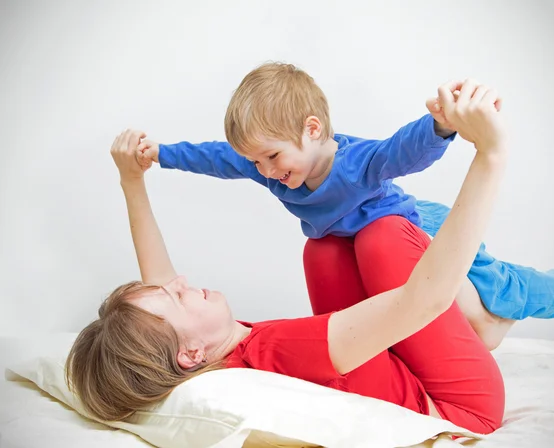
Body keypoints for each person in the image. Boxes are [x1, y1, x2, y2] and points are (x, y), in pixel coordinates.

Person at [67, 81, 507, 434]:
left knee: (326, 249)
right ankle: (488, 317)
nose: (179, 281)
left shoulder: (206, 360)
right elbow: (422, 301)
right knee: (386, 236)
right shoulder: (279, 351)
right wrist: (489, 153)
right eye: (175, 298)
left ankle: (477, 316)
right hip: (461, 407)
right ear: (190, 353)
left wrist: (132, 182)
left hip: (399, 367)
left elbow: (160, 294)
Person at [136, 63, 554, 340]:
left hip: (425, 226)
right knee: (476, 319)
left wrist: (438, 125)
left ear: (312, 129)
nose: (266, 171)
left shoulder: (355, 162)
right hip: (372, 251)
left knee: (503, 292)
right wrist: (161, 155)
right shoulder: (273, 171)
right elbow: (216, 158)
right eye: (256, 161)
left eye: (272, 156)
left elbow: (400, 150)